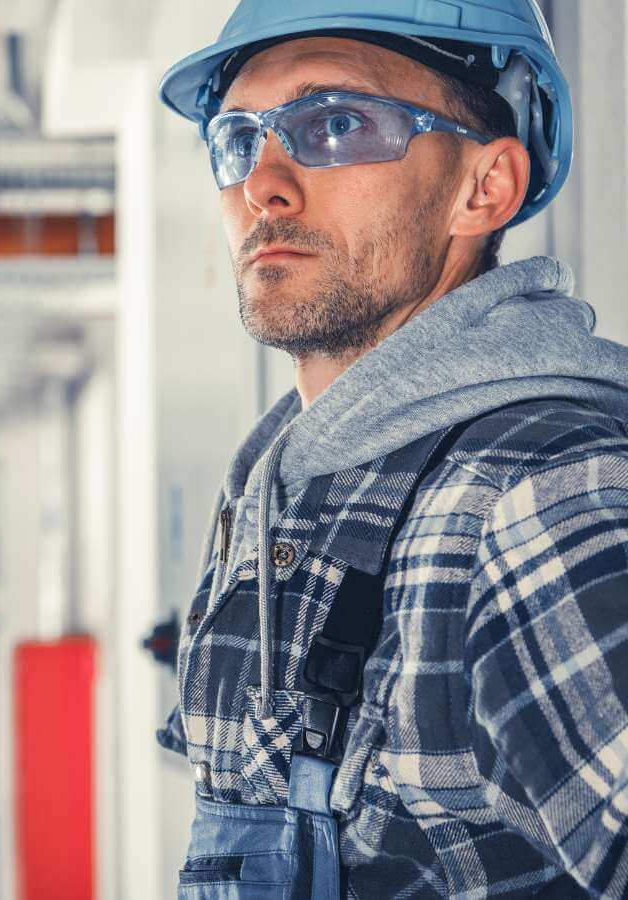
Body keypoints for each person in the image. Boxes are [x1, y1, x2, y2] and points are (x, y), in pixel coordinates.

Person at [155, 2, 628, 897]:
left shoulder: (536, 497)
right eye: (237, 139)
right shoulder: (279, 492)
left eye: (335, 124)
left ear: (483, 188)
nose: (264, 183)